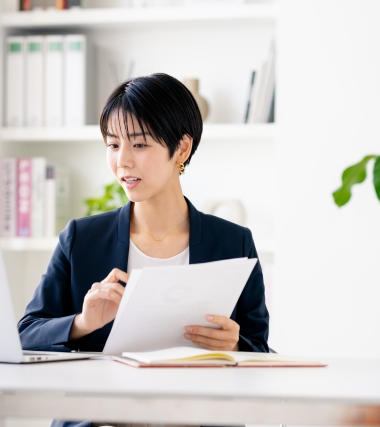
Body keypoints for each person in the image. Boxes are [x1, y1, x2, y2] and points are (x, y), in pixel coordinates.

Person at [17, 73, 269, 427]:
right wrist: (83, 322)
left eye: (139, 145)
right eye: (113, 144)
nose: (123, 162)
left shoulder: (232, 242)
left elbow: (261, 352)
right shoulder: (81, 239)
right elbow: (25, 334)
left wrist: (237, 347)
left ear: (181, 148)